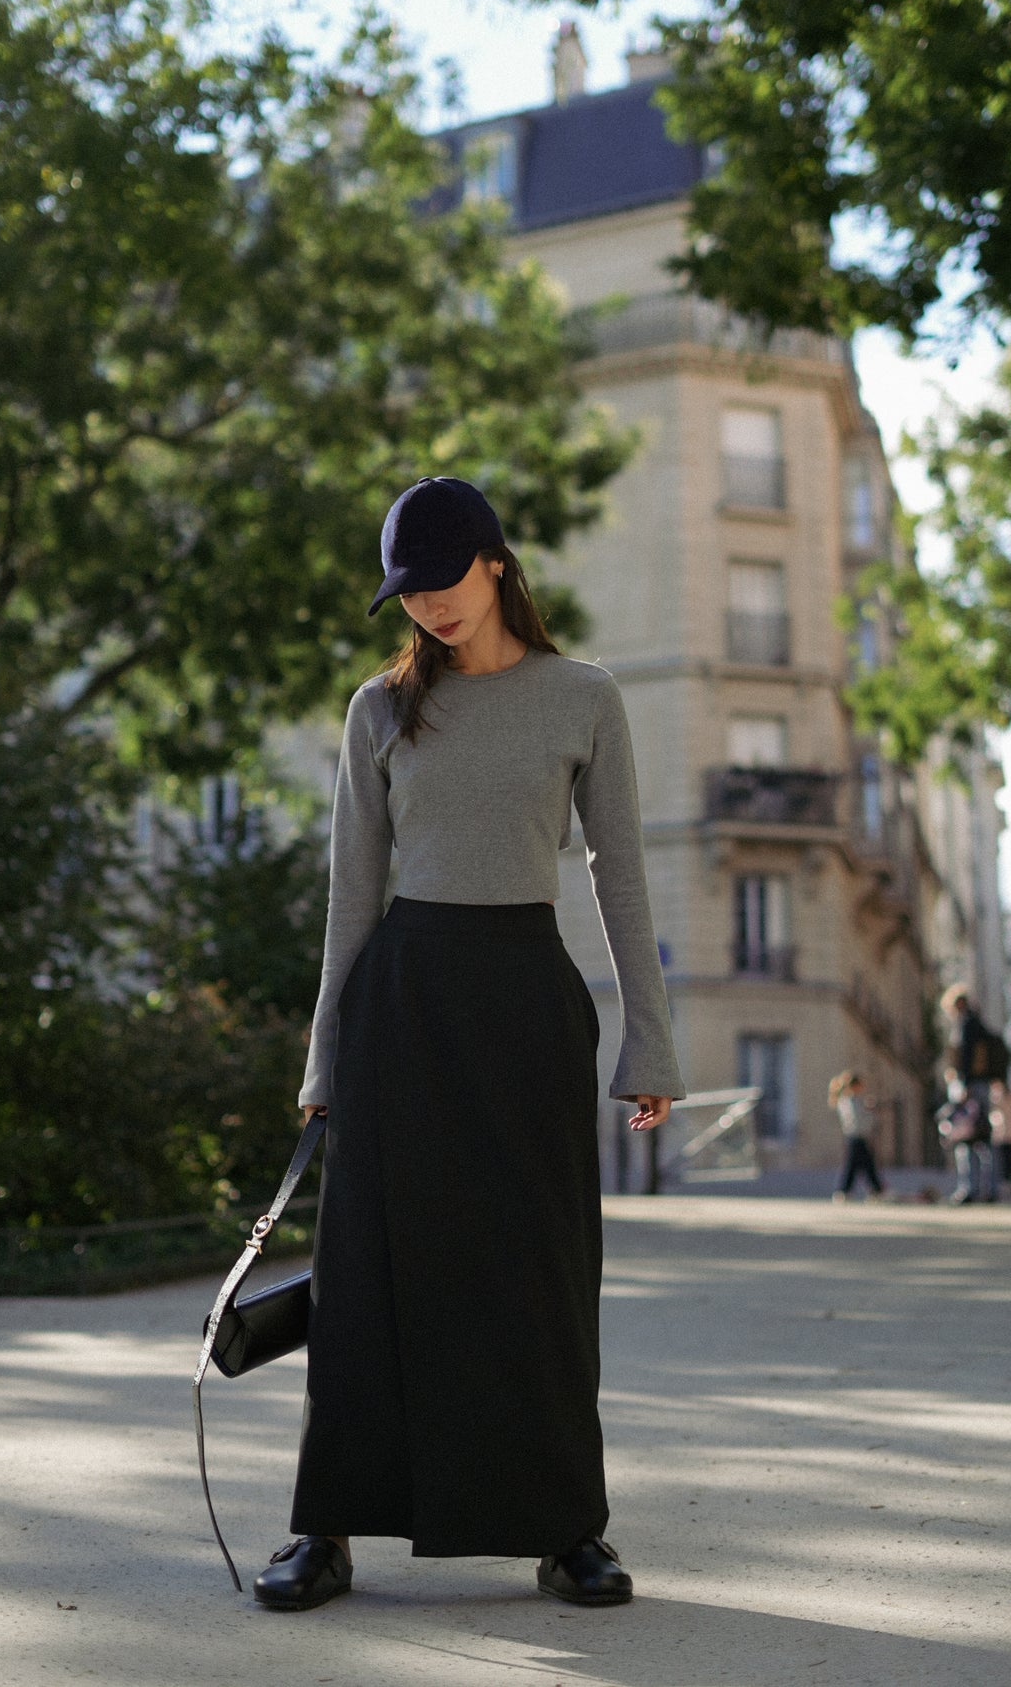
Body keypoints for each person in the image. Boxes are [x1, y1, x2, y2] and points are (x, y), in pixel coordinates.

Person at [252, 476, 686, 1614]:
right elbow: (352, 895)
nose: (426, 608)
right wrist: (320, 1057)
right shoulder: (378, 710)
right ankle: (324, 1529)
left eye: (441, 581)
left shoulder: (582, 697)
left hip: (526, 1004)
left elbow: (620, 873)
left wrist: (650, 1038)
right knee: (362, 1277)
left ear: (494, 563)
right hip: (402, 1004)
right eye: (406, 592)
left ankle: (565, 1529)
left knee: (539, 1275)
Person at [940, 983, 1009, 1204]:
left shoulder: (967, 1024)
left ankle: (969, 1188)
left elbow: (966, 1057)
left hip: (970, 1086)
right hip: (979, 1085)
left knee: (966, 1136)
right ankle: (989, 1188)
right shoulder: (977, 1024)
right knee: (982, 1137)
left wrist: (965, 1085)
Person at [828, 1070, 885, 1201]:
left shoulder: (853, 1101)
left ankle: (875, 1189)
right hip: (855, 1137)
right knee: (854, 1165)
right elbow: (859, 1121)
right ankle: (845, 1190)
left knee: (866, 1164)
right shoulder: (849, 1102)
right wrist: (870, 1113)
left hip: (859, 1137)